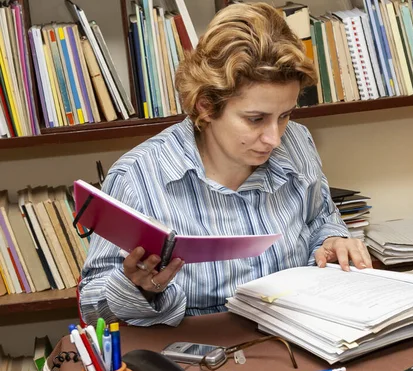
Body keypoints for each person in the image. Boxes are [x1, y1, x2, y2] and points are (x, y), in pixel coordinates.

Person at [79, 2, 372, 327]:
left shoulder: (297, 143)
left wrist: (332, 241)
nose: (274, 138)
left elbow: (320, 218)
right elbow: (93, 308)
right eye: (255, 119)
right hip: (199, 356)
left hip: (300, 337)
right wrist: (138, 289)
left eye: (285, 115)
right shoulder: (138, 178)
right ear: (206, 107)